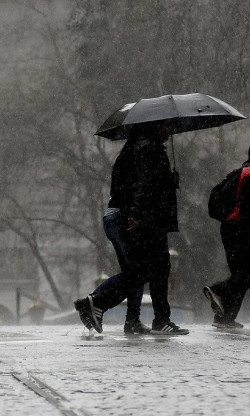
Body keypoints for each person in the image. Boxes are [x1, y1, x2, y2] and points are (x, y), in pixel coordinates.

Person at [75, 123, 189, 335]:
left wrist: (168, 182)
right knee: (149, 269)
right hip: (134, 218)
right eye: (165, 126)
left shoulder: (131, 149)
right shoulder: (149, 148)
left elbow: (135, 184)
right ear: (153, 128)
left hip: (114, 216)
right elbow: (142, 185)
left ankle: (132, 320)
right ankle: (96, 302)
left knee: (135, 269)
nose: (169, 131)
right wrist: (136, 214)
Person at [203, 138, 250, 328]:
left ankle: (225, 317)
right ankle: (218, 290)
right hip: (241, 228)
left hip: (228, 228)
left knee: (240, 275)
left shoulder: (241, 171)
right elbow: (249, 205)